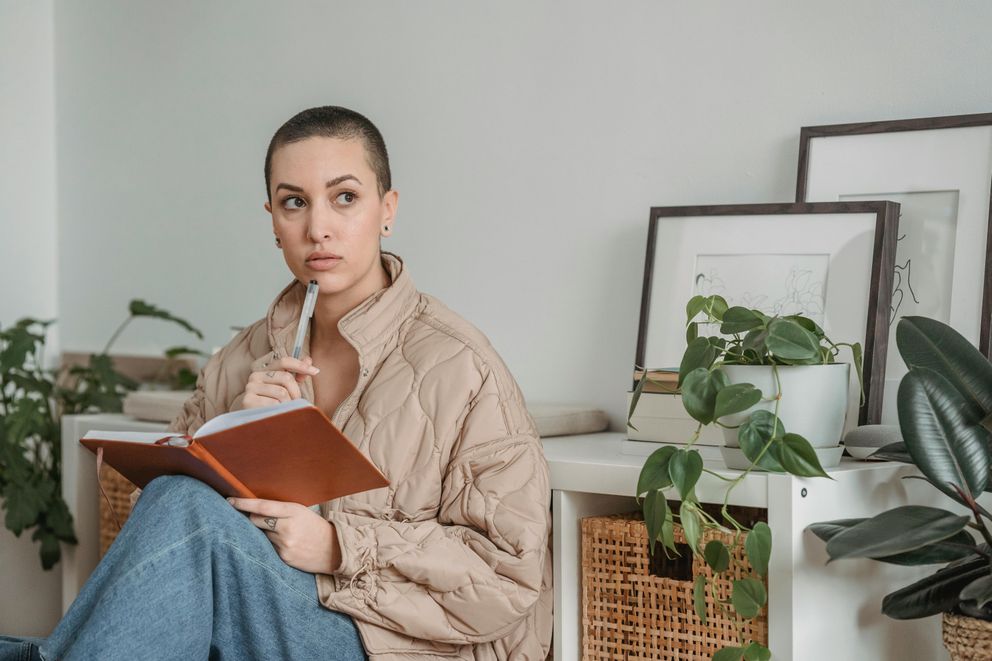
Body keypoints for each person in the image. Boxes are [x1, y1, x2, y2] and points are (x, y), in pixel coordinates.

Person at [0, 106, 553, 660]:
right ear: (272, 220)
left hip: (398, 645)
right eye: (295, 202)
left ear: (387, 210)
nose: (318, 228)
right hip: (264, 615)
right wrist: (233, 426)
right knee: (178, 500)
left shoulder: (462, 365)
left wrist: (339, 546)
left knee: (186, 513)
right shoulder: (243, 359)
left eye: (345, 197)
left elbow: (508, 577)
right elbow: (162, 557)